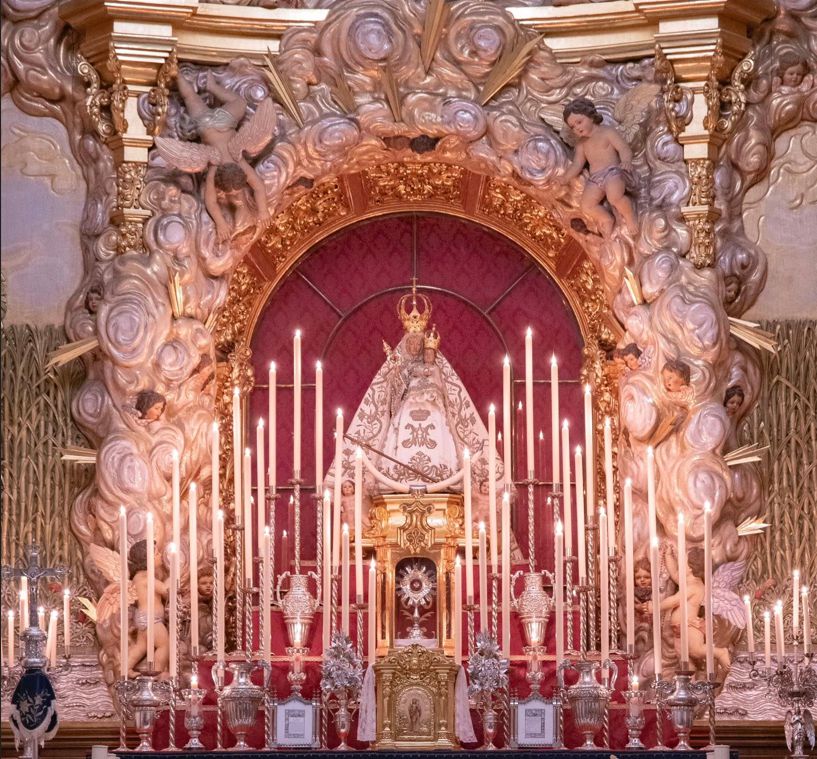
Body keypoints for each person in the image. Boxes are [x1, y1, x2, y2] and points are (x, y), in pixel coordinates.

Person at [155, 71, 274, 242]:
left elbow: (258, 187)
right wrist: (221, 222)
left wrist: (263, 210)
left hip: (224, 122)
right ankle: (176, 73)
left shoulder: (236, 157)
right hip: (205, 125)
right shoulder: (215, 163)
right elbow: (211, 201)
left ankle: (212, 87)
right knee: (189, 97)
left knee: (239, 102)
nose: (234, 194)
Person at [646, 547, 731, 678]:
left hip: (690, 626)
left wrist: (655, 607)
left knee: (696, 650)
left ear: (691, 567)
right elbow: (674, 573)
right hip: (679, 629)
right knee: (683, 659)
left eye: (683, 561)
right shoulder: (688, 582)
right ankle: (690, 681)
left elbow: (674, 600)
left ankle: (720, 652)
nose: (680, 564)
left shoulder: (694, 586)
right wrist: (668, 555)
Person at [559, 97, 638, 236]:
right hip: (595, 179)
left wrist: (626, 161)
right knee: (586, 205)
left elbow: (623, 148)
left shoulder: (607, 132)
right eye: (573, 127)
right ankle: (606, 219)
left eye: (579, 122)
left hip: (612, 173)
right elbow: (577, 164)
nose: (577, 128)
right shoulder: (581, 144)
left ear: (591, 116)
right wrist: (565, 178)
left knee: (614, 197)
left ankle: (630, 216)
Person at [126, 539, 170, 678]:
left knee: (141, 647)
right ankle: (157, 672)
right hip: (152, 619)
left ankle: (125, 668)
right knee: (164, 645)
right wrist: (173, 578)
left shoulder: (137, 577)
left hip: (142, 618)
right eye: (156, 553)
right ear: (147, 559)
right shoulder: (146, 578)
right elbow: (165, 590)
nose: (160, 555)